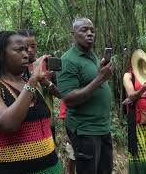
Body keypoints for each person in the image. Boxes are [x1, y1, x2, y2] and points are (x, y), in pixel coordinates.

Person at [0, 31, 61, 173]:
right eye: (19, 50)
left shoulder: (31, 84)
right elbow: (7, 124)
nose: (26, 54)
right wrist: (32, 81)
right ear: (1, 54)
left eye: (26, 49)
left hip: (50, 167)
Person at [57, 17, 113, 174]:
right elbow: (69, 99)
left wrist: (100, 73)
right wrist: (100, 78)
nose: (90, 33)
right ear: (73, 34)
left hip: (102, 127)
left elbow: (92, 84)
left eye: (92, 30)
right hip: (85, 130)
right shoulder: (68, 60)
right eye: (84, 30)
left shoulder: (93, 56)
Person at [18, 29, 60, 141]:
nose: (30, 50)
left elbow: (61, 94)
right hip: (23, 125)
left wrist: (46, 82)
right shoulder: (14, 69)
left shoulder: (45, 65)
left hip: (47, 123)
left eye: (33, 46)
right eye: (26, 47)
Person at [58, 100, 76, 174]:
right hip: (73, 132)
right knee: (72, 156)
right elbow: (64, 116)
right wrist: (68, 134)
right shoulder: (68, 93)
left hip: (88, 130)